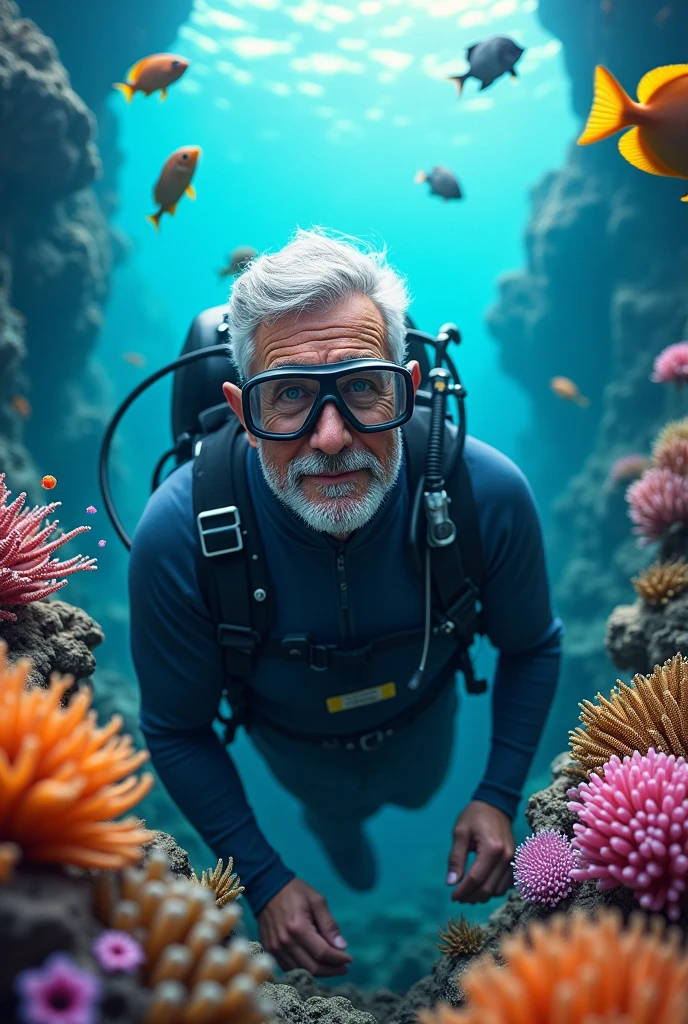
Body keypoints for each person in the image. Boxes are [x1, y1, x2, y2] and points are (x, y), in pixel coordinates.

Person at [129, 228, 563, 978]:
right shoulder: (179, 537)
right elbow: (174, 728)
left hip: (428, 741)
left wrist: (496, 792)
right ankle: (342, 842)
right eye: (289, 394)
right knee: (344, 840)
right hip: (303, 767)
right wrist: (263, 877)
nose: (330, 439)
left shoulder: (485, 494)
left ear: (411, 387)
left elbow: (534, 644)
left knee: (420, 792)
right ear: (239, 408)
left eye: (363, 386)